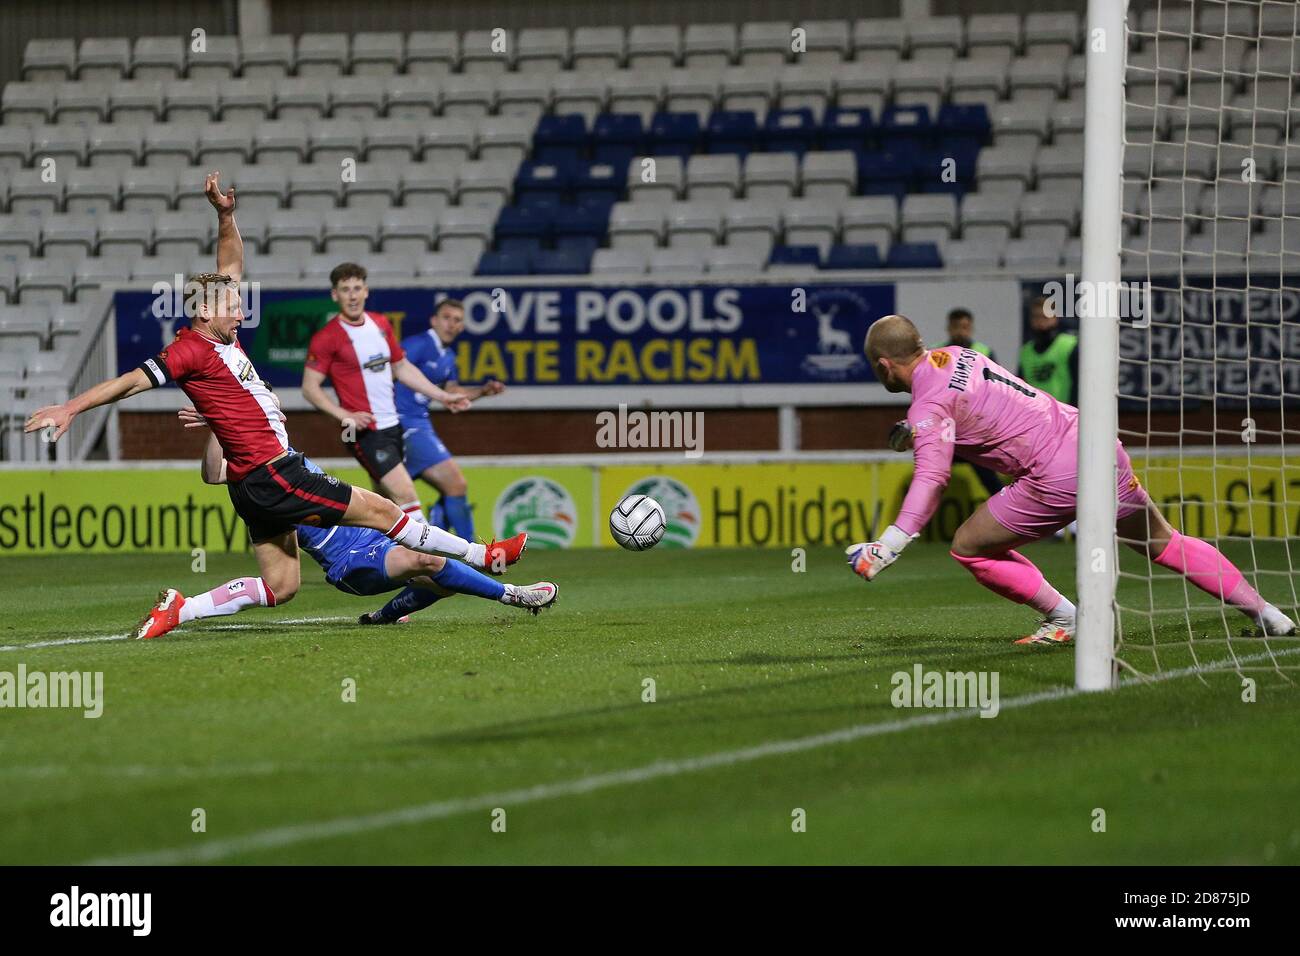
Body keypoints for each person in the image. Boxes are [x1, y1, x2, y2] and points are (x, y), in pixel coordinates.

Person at [24, 172, 527, 640]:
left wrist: (224, 216)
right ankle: (484, 553)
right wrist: (71, 407)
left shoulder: (221, 336)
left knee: (281, 586)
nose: (241, 312)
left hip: (250, 486)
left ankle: (180, 608)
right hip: (274, 471)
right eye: (232, 307)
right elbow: (130, 382)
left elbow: (230, 263)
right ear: (204, 311)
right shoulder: (189, 349)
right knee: (383, 508)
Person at [848, 314, 1295, 644]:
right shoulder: (961, 356)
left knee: (969, 546)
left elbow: (932, 478)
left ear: (884, 366)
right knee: (1165, 542)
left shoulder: (927, 407)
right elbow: (976, 405)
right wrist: (921, 430)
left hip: (1054, 474)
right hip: (1096, 442)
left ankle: (1066, 618)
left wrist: (889, 543)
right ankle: (1269, 614)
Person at [131, 405, 557, 638]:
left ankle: (386, 617)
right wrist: (216, 426)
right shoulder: (257, 472)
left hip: (373, 542)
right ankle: (510, 589)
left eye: (274, 412)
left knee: (441, 579)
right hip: (348, 563)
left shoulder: (286, 457)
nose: (274, 416)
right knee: (428, 561)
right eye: (267, 411)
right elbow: (212, 474)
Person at [301, 262, 469, 524]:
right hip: (365, 432)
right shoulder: (327, 337)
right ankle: (439, 560)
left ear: (366, 291)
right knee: (407, 497)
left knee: (383, 508)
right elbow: (309, 388)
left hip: (394, 427)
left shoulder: (380, 324)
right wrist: (343, 415)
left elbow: (401, 367)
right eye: (346, 290)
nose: (353, 295)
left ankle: (374, 559)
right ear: (335, 295)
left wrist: (443, 396)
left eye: (357, 288)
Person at [395, 298, 503, 539]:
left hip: (419, 424)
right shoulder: (418, 344)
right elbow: (391, 369)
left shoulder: (448, 357)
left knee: (391, 499)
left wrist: (483, 391)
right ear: (434, 320)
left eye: (457, 320)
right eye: (446, 318)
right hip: (406, 425)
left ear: (462, 327)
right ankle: (474, 552)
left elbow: (453, 393)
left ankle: (437, 532)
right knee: (456, 485)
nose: (451, 324)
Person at [924, 308, 1002, 499]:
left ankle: (1010, 511)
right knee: (931, 476)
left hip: (975, 428)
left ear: (971, 328)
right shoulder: (935, 354)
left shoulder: (984, 353)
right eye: (957, 327)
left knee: (988, 476)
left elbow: (994, 391)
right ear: (948, 328)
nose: (961, 331)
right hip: (946, 429)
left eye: (965, 327)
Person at [1019, 296, 1079, 407]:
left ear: (1055, 318)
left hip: (1066, 415)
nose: (1040, 322)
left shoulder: (1069, 346)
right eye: (1036, 317)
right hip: (1036, 415)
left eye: (1045, 317)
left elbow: (1081, 384)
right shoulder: (1026, 352)